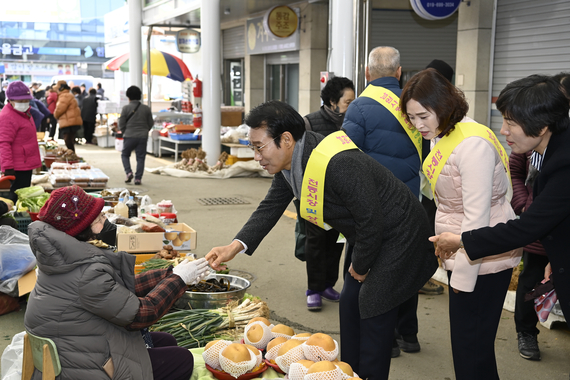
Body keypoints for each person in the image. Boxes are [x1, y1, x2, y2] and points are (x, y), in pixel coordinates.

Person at [205, 100, 437, 380]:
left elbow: (370, 220)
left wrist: (361, 267)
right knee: (351, 307)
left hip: (401, 235)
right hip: (369, 235)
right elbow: (270, 206)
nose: (256, 156)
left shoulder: (338, 162)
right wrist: (234, 246)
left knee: (374, 310)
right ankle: (347, 374)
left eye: (259, 146)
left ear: (286, 139)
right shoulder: (293, 161)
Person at [401, 68, 522, 380]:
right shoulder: (445, 133)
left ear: (443, 105)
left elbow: (477, 220)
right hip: (466, 257)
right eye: (412, 118)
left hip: (482, 261)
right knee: (470, 350)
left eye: (423, 116)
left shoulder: (472, 145)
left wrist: (461, 282)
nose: (418, 125)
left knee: (473, 352)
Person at [25, 185, 209, 380]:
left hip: (80, 348)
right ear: (81, 229)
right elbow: (141, 314)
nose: (105, 220)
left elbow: (115, 291)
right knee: (182, 359)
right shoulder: (86, 273)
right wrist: (179, 280)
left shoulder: (64, 260)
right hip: (83, 368)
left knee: (166, 339)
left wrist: (170, 273)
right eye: (99, 219)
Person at [430, 75, 570, 327]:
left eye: (510, 123)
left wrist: (461, 240)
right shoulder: (549, 149)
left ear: (540, 127)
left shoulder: (565, 163)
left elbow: (527, 228)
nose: (503, 130)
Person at [342, 46, 425, 357]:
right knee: (405, 266)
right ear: (399, 73)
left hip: (374, 205)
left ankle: (385, 339)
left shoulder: (360, 107)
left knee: (371, 270)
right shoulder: (415, 106)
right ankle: (410, 334)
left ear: (367, 74)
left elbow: (346, 159)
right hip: (411, 202)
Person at [297, 76, 355, 311]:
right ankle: (313, 288)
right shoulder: (309, 123)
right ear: (332, 101)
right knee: (316, 243)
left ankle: (327, 284)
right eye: (348, 101)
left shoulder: (352, 123)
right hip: (314, 195)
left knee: (336, 242)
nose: (351, 105)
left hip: (342, 196)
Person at [509, 150, 548, 361]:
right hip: (537, 225)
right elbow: (515, 171)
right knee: (531, 281)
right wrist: (523, 203)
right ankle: (526, 333)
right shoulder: (530, 135)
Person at [0, 81, 42, 203]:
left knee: (23, 196)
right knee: (17, 196)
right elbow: (3, 143)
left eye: (26, 100)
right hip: (17, 166)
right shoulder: (7, 116)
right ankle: (13, 218)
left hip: (25, 162)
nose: (24, 103)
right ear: (11, 100)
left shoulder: (24, 113)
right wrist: (7, 166)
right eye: (20, 101)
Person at [119, 85, 154, 185]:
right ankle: (138, 178)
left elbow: (121, 123)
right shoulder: (146, 108)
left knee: (125, 154)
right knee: (140, 157)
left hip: (129, 135)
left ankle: (128, 172)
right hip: (142, 136)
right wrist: (145, 130)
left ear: (128, 97)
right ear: (139, 96)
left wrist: (125, 131)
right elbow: (151, 123)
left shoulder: (126, 108)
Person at [54, 80, 83, 151]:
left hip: (69, 121)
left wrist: (55, 115)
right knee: (69, 140)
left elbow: (60, 109)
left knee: (68, 140)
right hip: (71, 120)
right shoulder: (68, 94)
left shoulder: (65, 95)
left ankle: (72, 156)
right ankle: (72, 155)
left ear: (61, 88)